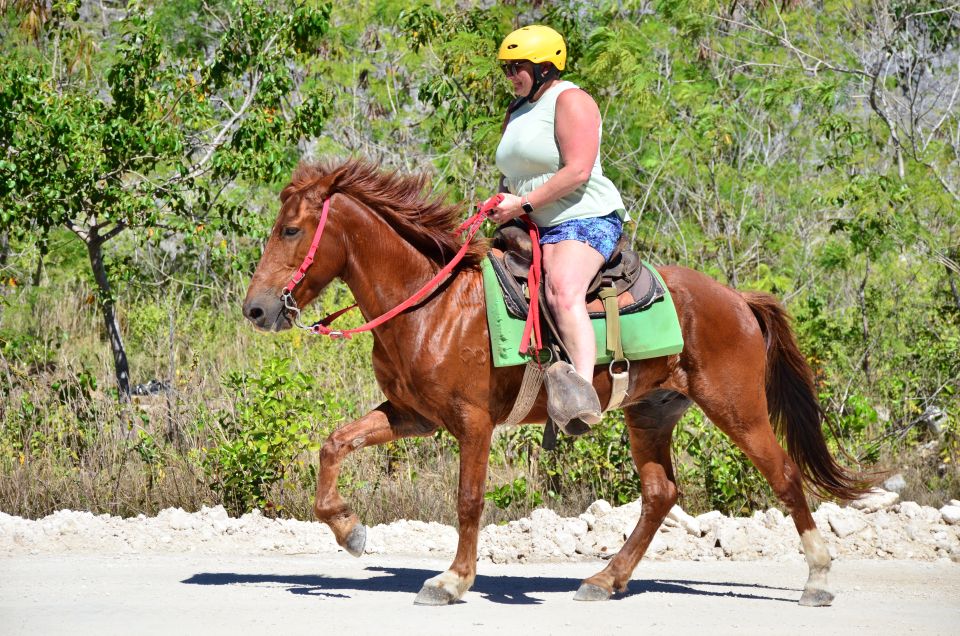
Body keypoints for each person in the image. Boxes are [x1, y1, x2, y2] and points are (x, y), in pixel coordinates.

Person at [488, 24, 627, 432]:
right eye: (507, 68)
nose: (511, 75)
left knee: (561, 289)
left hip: (583, 218)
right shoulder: (515, 111)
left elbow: (578, 171)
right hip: (529, 222)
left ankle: (582, 394)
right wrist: (502, 202)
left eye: (519, 67)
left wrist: (524, 203)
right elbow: (511, 175)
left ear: (547, 68)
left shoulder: (571, 100)